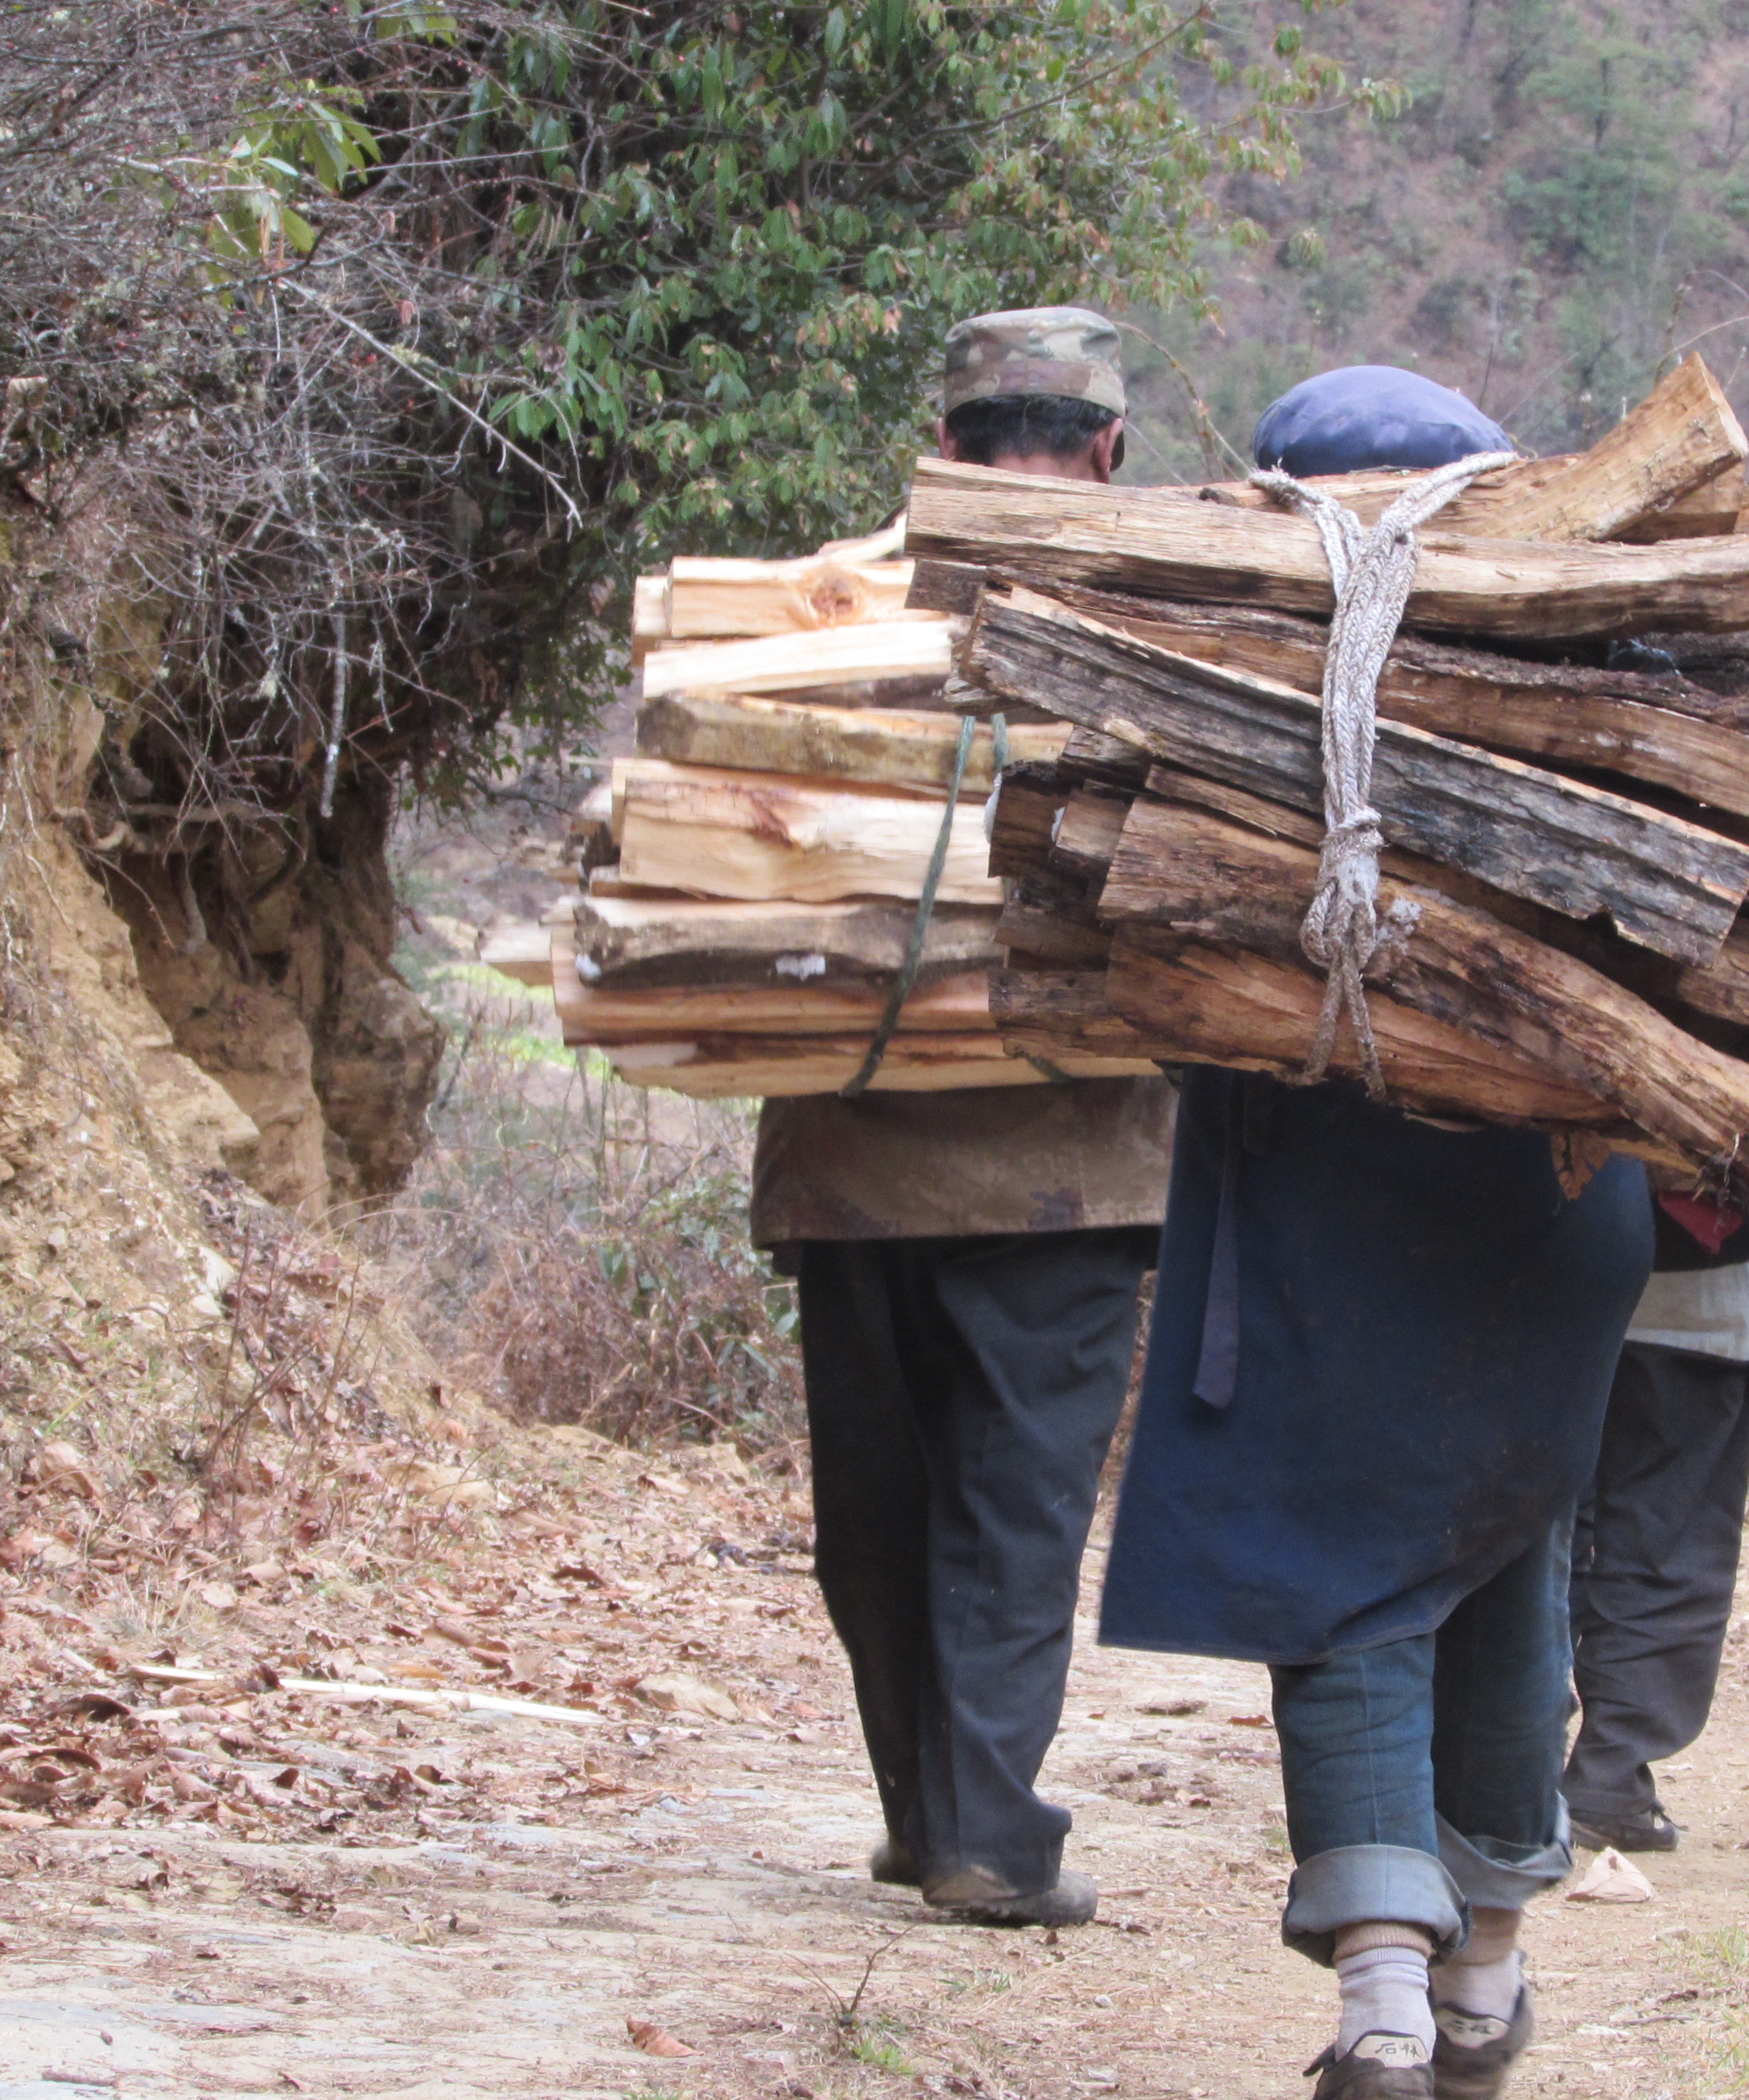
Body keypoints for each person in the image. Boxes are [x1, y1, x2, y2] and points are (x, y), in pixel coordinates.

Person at [1096, 366, 1658, 2099]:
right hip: (1547, 1209)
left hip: (1319, 1194)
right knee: (1489, 1547)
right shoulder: (1597, 673)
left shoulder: (1212, 676)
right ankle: (1478, 1971)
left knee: (1339, 1557)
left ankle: (1385, 2003)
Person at [749, 307, 1171, 1931]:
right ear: (1109, 451)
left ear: (941, 448)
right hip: (1063, 1169)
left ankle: (925, 1815)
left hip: (851, 1150)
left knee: (878, 1500)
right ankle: (983, 1828)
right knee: (1013, 1507)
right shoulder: (1185, 620)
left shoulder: (819, 609)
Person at [1565, 1198, 1749, 1854]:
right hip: (1706, 1266)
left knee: (1537, 1514)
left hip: (1545, 1244)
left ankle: (1518, 1764)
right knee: (1673, 1528)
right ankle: (1606, 1775)